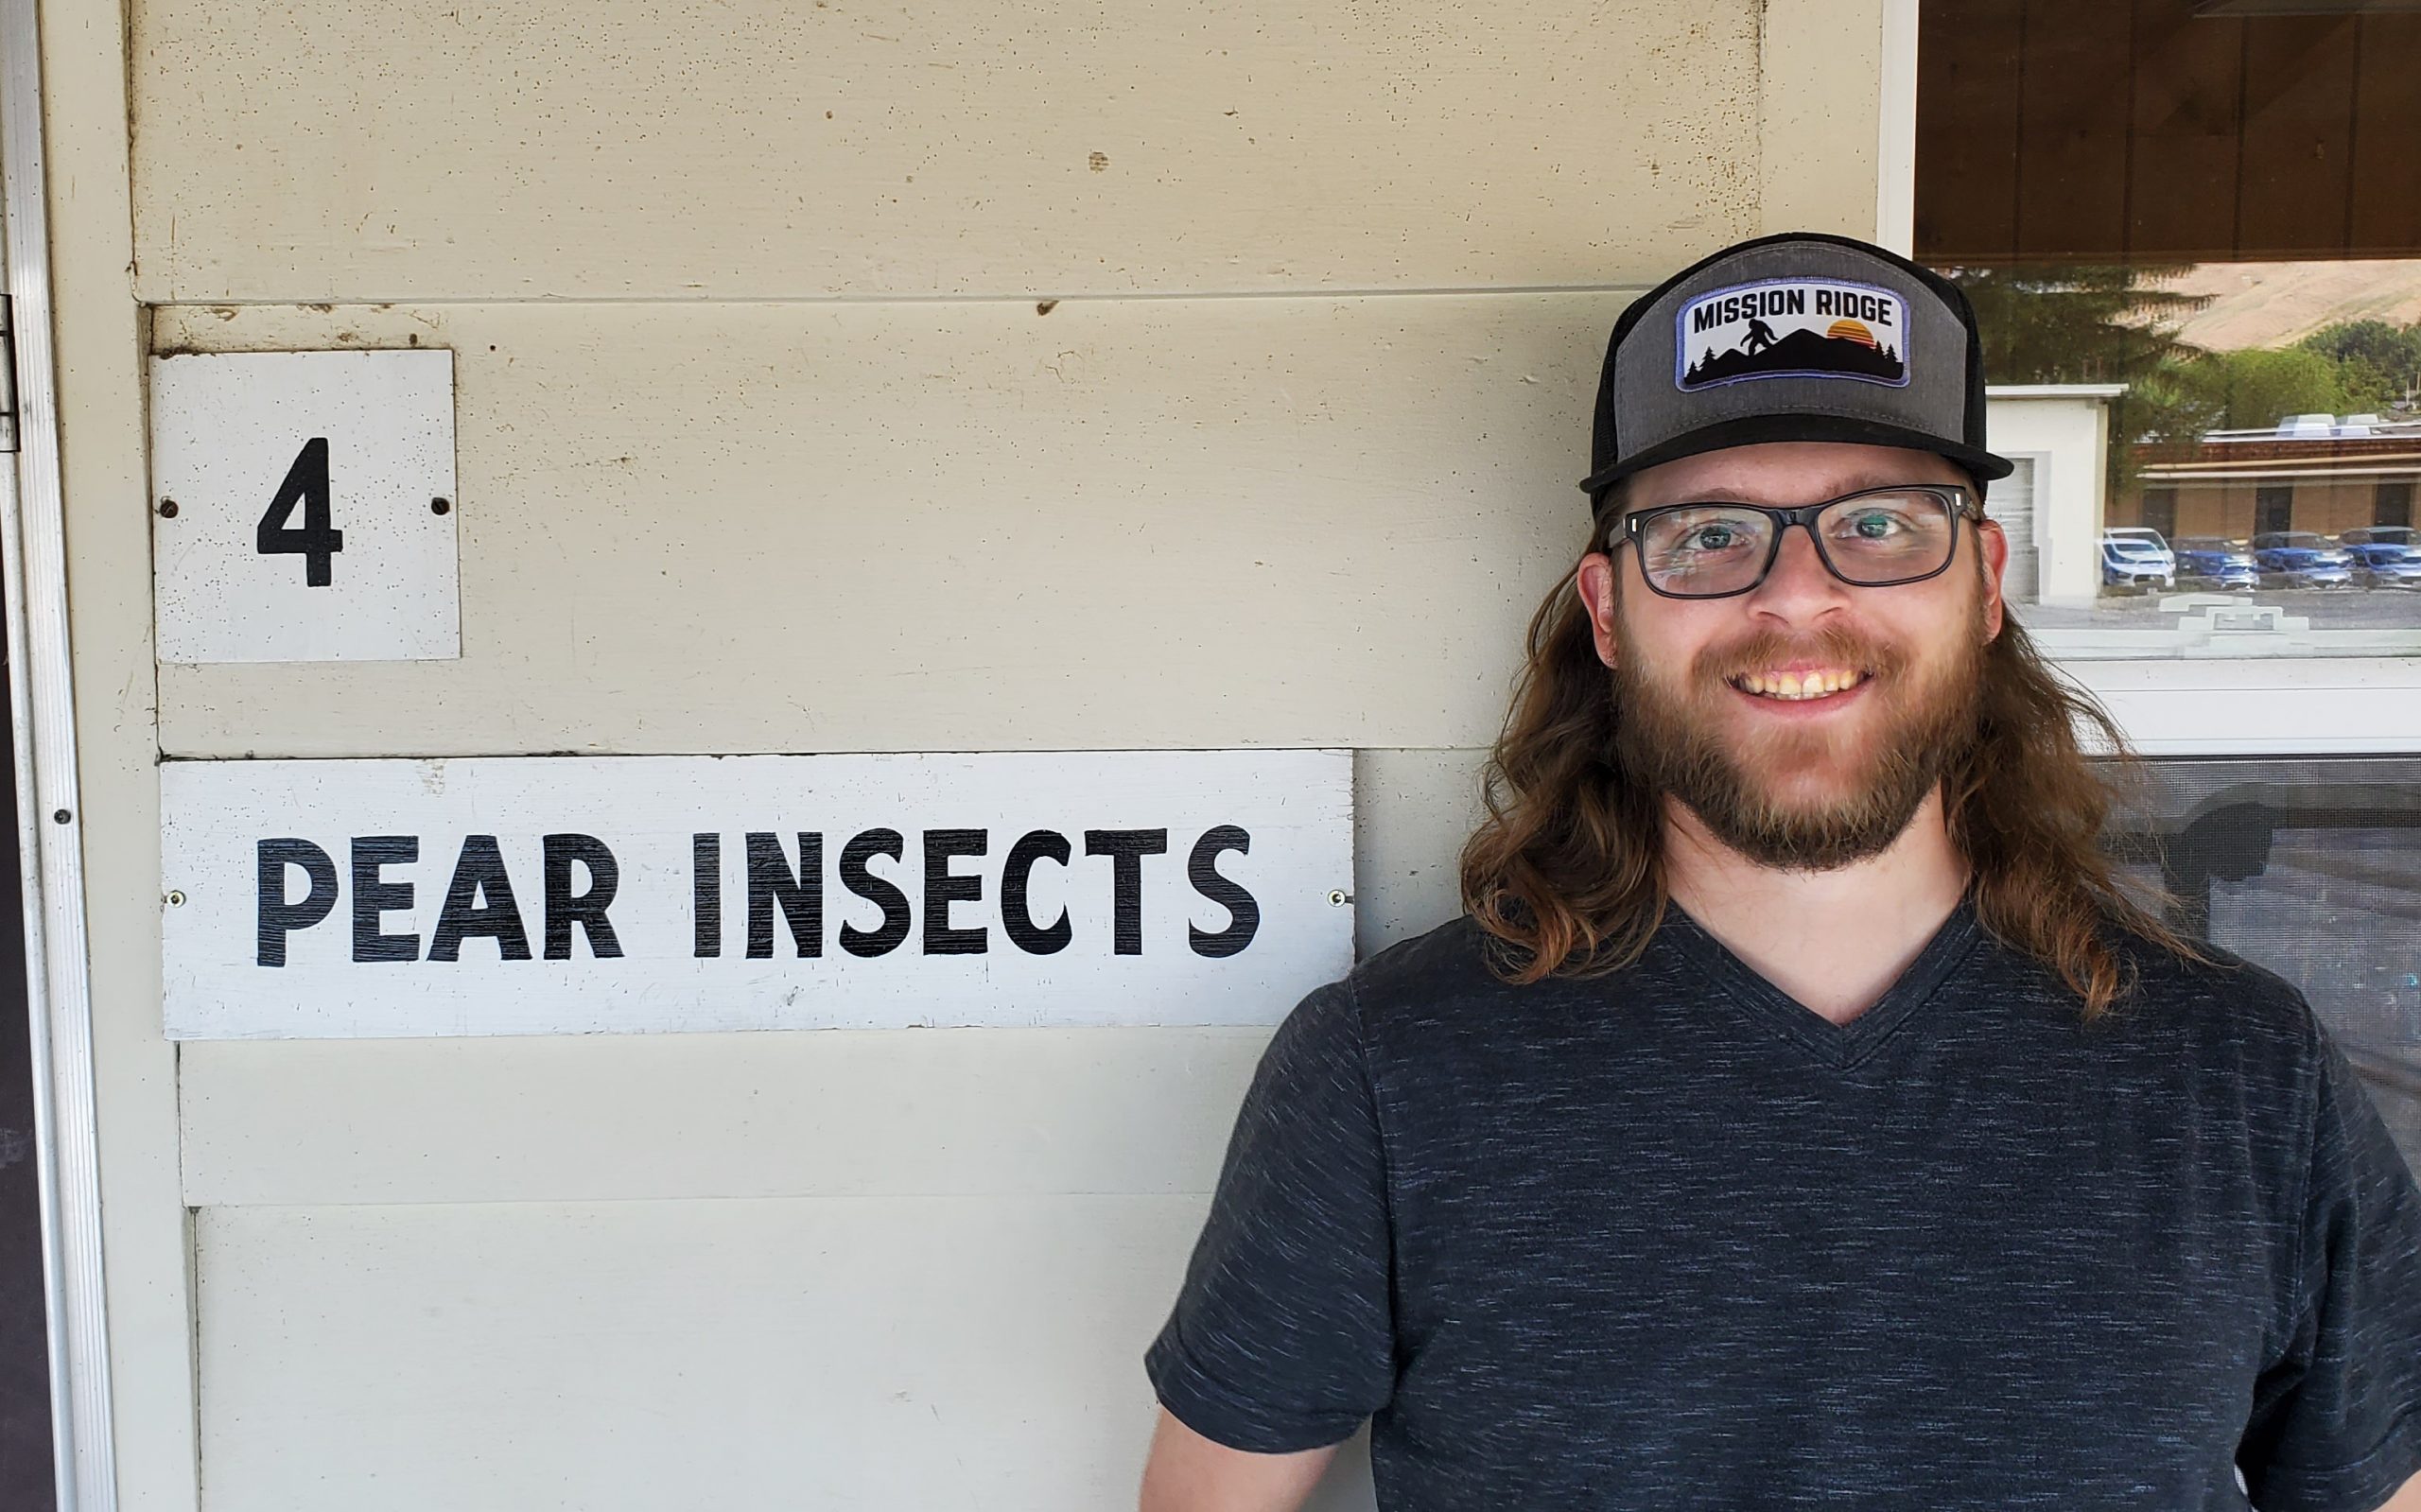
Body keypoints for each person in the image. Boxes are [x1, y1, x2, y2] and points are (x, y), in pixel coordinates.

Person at [1135, 232, 2421, 1512]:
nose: (1798, 597)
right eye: (1707, 536)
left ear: (1983, 582)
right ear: (1607, 608)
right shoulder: (1386, 1076)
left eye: (1879, 524)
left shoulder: (2246, 1078)